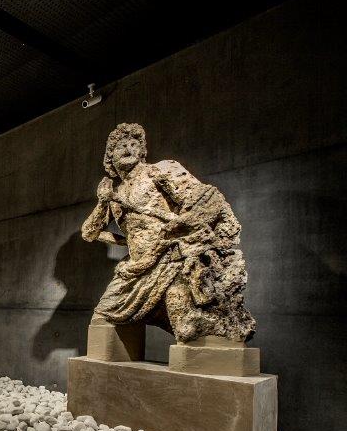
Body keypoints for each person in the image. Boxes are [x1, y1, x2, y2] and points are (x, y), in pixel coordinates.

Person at [81, 123, 254, 343]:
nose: (128, 149)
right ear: (110, 157)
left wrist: (182, 231)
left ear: (142, 151)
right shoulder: (114, 196)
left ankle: (223, 324)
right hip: (136, 268)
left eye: (134, 144)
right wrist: (106, 207)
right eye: (120, 146)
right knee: (103, 317)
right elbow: (89, 233)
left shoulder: (160, 171)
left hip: (171, 259)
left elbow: (200, 200)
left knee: (187, 328)